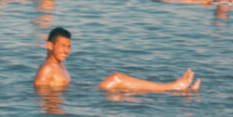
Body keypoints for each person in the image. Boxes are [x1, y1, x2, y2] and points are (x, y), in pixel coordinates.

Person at [33, 27, 201, 92]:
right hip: (90, 95)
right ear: (49, 45)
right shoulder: (47, 68)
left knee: (127, 91)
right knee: (116, 78)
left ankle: (175, 90)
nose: (66, 50)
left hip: (86, 92)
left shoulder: (58, 66)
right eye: (62, 46)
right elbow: (38, 91)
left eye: (68, 46)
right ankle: (172, 87)